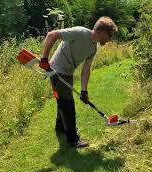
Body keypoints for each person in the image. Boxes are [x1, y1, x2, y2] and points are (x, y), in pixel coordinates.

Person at [39, 16, 118, 148]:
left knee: (63, 101)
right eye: (109, 36)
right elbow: (51, 35)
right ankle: (73, 139)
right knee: (67, 104)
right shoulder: (80, 32)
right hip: (56, 70)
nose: (109, 39)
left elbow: (86, 69)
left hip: (68, 73)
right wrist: (44, 59)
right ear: (103, 32)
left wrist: (84, 91)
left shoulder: (93, 48)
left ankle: (60, 128)